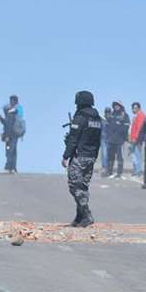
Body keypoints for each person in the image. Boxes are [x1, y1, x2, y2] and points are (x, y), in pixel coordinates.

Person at [61, 91, 102, 227]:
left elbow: (73, 139)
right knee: (83, 186)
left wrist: (66, 156)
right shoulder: (97, 119)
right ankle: (79, 217)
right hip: (91, 156)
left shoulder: (80, 118)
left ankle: (86, 214)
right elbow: (98, 140)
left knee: (75, 186)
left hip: (80, 156)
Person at [105, 101, 130, 179]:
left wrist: (120, 132)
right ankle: (109, 172)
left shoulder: (124, 115)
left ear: (120, 106)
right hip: (111, 140)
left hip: (120, 140)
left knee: (120, 157)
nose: (116, 107)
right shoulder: (111, 115)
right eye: (115, 105)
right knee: (110, 157)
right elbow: (107, 125)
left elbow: (126, 126)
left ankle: (119, 173)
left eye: (117, 105)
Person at [0, 95, 24, 173]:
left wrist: (6, 136)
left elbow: (8, 126)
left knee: (9, 151)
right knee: (13, 151)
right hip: (15, 135)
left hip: (10, 136)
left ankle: (8, 168)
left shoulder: (10, 116)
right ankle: (13, 168)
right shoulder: (17, 112)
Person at [128, 102, 146, 178]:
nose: (133, 109)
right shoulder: (136, 116)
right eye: (133, 108)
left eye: (135, 108)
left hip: (137, 139)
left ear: (139, 108)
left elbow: (139, 128)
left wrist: (135, 138)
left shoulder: (141, 115)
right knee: (134, 156)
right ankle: (136, 171)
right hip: (134, 139)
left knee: (137, 155)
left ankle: (138, 171)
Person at [100, 107, 111, 175]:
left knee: (109, 155)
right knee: (104, 154)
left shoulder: (112, 120)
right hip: (103, 139)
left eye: (109, 112)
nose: (108, 114)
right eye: (107, 112)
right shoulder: (102, 120)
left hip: (110, 140)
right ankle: (104, 168)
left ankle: (108, 168)